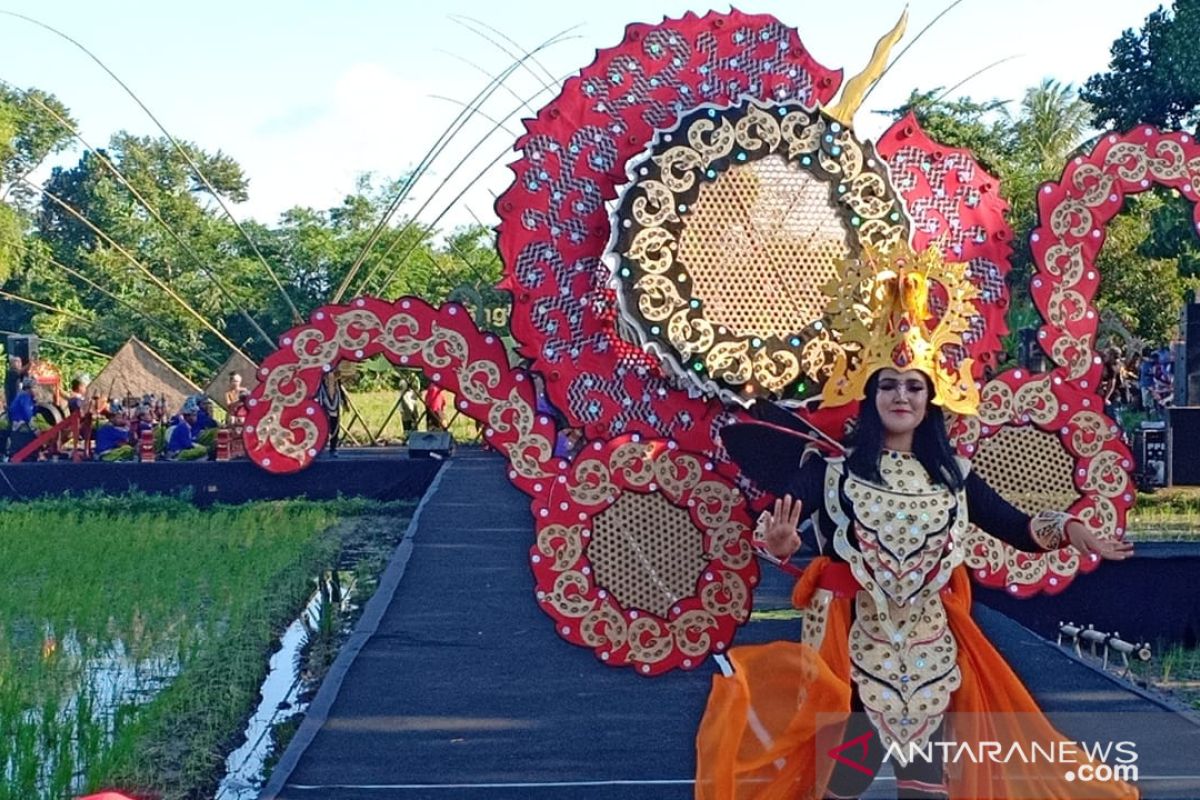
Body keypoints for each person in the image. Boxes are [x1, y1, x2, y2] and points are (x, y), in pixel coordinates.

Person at [696, 247, 1136, 800]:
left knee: (924, 783)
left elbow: (1016, 527)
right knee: (844, 781)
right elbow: (774, 523)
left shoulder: (953, 476)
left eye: (913, 386)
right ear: (869, 395)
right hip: (851, 648)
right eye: (888, 385)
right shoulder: (833, 474)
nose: (900, 396)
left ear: (930, 399)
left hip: (930, 649)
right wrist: (779, 542)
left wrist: (1071, 530)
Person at [315, 370, 342, 456]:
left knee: (335, 422)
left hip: (334, 399)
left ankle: (333, 447)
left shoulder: (336, 387)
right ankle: (318, 447)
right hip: (322, 399)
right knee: (320, 424)